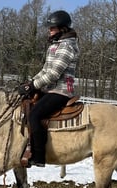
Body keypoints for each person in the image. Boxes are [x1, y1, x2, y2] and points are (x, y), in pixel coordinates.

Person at [18, 10, 80, 167]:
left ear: (62, 29)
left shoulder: (67, 47)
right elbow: (45, 70)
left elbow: (53, 74)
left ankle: (38, 155)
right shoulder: (55, 46)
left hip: (62, 91)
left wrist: (34, 85)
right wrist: (30, 83)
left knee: (35, 115)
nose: (49, 31)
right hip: (51, 89)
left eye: (52, 28)